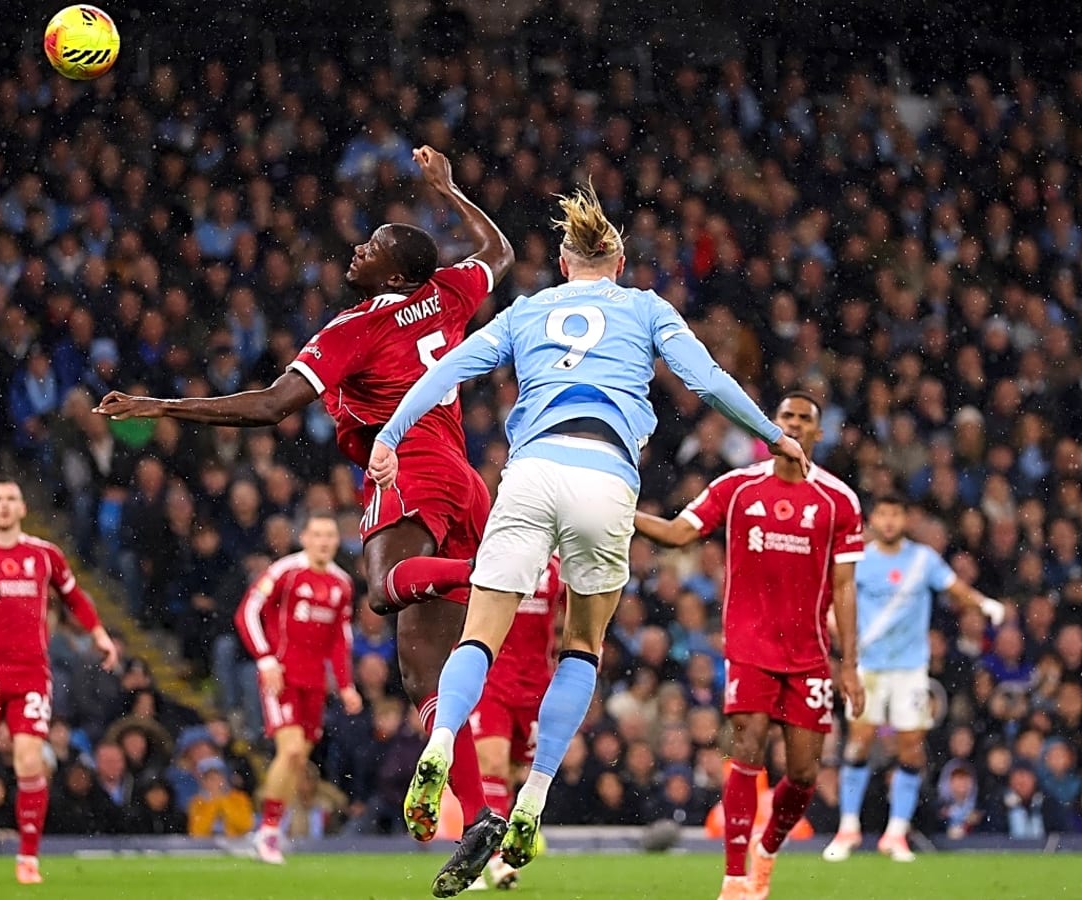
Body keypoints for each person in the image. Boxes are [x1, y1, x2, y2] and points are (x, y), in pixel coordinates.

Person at [368, 185, 804, 897]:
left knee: (477, 636)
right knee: (581, 646)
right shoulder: (646, 308)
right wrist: (774, 433)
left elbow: (447, 370)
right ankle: (533, 802)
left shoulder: (530, 309)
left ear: (565, 265)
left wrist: (390, 434)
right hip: (605, 477)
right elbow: (709, 380)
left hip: (533, 469)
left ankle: (442, 742)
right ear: (622, 261)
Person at [96, 145, 515, 871]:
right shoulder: (448, 292)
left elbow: (270, 406)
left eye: (374, 247)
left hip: (408, 464)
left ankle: (495, 569)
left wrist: (158, 404)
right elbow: (499, 250)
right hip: (463, 478)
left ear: (395, 273)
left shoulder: (356, 328)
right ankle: (479, 815)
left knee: (384, 589)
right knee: (426, 673)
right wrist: (449, 189)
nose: (359, 249)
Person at [633, 392, 862, 900]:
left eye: (806, 419)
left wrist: (850, 665)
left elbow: (844, 589)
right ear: (770, 427)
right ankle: (735, 877)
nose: (796, 425)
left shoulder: (838, 501)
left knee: (803, 775)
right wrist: (621, 513)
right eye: (787, 417)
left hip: (809, 655)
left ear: (817, 434)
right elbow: (676, 534)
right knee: (747, 750)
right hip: (750, 646)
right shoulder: (735, 488)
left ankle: (767, 849)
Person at [0, 481, 119, 887]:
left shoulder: (44, 555)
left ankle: (28, 857)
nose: (3, 506)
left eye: (11, 499)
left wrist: (100, 634)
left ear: (22, 508)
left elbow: (74, 598)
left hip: (32, 673)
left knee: (31, 763)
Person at [824, 495, 1007, 863]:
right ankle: (848, 828)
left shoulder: (922, 560)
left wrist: (984, 604)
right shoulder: (859, 558)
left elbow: (954, 588)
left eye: (895, 514)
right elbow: (835, 604)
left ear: (905, 519)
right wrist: (842, 638)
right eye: (883, 514)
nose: (889, 521)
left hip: (909, 669)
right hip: (869, 668)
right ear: (873, 519)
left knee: (911, 746)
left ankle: (895, 834)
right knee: (859, 741)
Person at [233, 513, 361, 864]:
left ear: (336, 541)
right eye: (317, 534)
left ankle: (269, 831)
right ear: (303, 537)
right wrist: (266, 659)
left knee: (298, 759)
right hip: (282, 677)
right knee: (290, 753)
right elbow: (247, 612)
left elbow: (340, 640)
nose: (323, 541)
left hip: (314, 682)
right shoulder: (284, 571)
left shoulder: (342, 583)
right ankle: (268, 832)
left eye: (330, 535)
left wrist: (346, 685)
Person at [467, 560, 562, 891]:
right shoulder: (498, 554)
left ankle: (489, 849)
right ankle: (484, 856)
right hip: (493, 676)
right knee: (490, 762)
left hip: (535, 683)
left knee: (510, 771)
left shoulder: (558, 568)